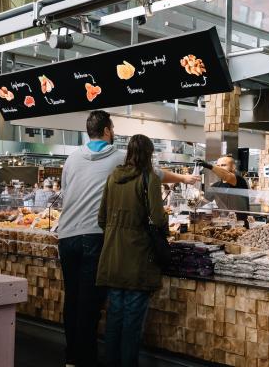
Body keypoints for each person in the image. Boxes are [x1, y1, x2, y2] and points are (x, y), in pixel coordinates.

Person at [58, 110, 198, 367]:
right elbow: (154, 175)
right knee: (90, 303)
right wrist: (185, 178)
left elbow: (66, 192)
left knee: (73, 299)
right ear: (109, 130)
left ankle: (72, 356)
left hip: (66, 235)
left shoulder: (72, 158)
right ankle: (85, 360)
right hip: (95, 237)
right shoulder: (120, 159)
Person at [97, 134, 166, 366]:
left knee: (115, 317)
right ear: (149, 153)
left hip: (112, 256)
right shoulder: (150, 178)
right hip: (137, 259)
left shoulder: (113, 177)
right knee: (133, 321)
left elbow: (101, 218)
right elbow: (157, 220)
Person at [198, 155, 250, 221]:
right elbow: (201, 203)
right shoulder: (215, 186)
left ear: (233, 167)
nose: (220, 168)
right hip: (223, 225)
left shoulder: (239, 180)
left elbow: (227, 175)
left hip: (240, 226)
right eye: (218, 166)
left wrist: (209, 166)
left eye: (223, 165)